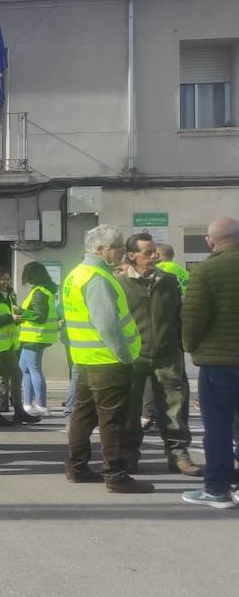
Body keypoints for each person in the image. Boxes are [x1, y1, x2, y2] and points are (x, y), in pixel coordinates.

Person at [62, 225, 152, 493]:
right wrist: (125, 356)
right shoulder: (98, 279)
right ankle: (116, 474)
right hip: (108, 361)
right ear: (101, 250)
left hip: (86, 359)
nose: (122, 251)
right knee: (112, 420)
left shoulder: (76, 274)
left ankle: (76, 467)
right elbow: (108, 325)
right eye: (117, 247)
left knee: (83, 416)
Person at [118, 233, 203, 477]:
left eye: (155, 251)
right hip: (134, 357)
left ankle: (178, 455)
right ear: (132, 256)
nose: (155, 256)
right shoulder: (121, 284)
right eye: (148, 252)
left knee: (173, 406)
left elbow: (181, 315)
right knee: (131, 409)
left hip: (167, 354)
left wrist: (182, 346)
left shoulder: (169, 281)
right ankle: (129, 454)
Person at [180, 217, 239, 508]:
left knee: (218, 428)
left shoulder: (206, 270)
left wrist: (190, 347)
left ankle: (217, 489)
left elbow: (193, 317)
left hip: (218, 363)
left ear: (210, 241)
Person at [0, 266, 40, 426]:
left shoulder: (7, 296)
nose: (5, 282)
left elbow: (16, 312)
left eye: (7, 278)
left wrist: (33, 315)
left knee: (17, 374)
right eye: (1, 279)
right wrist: (11, 318)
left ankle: (19, 411)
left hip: (6, 344)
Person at [18, 262, 58, 418]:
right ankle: (28, 403)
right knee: (26, 369)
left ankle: (40, 405)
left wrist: (21, 312)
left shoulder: (39, 292)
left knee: (33, 369)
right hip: (33, 337)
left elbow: (39, 316)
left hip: (35, 337)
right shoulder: (42, 290)